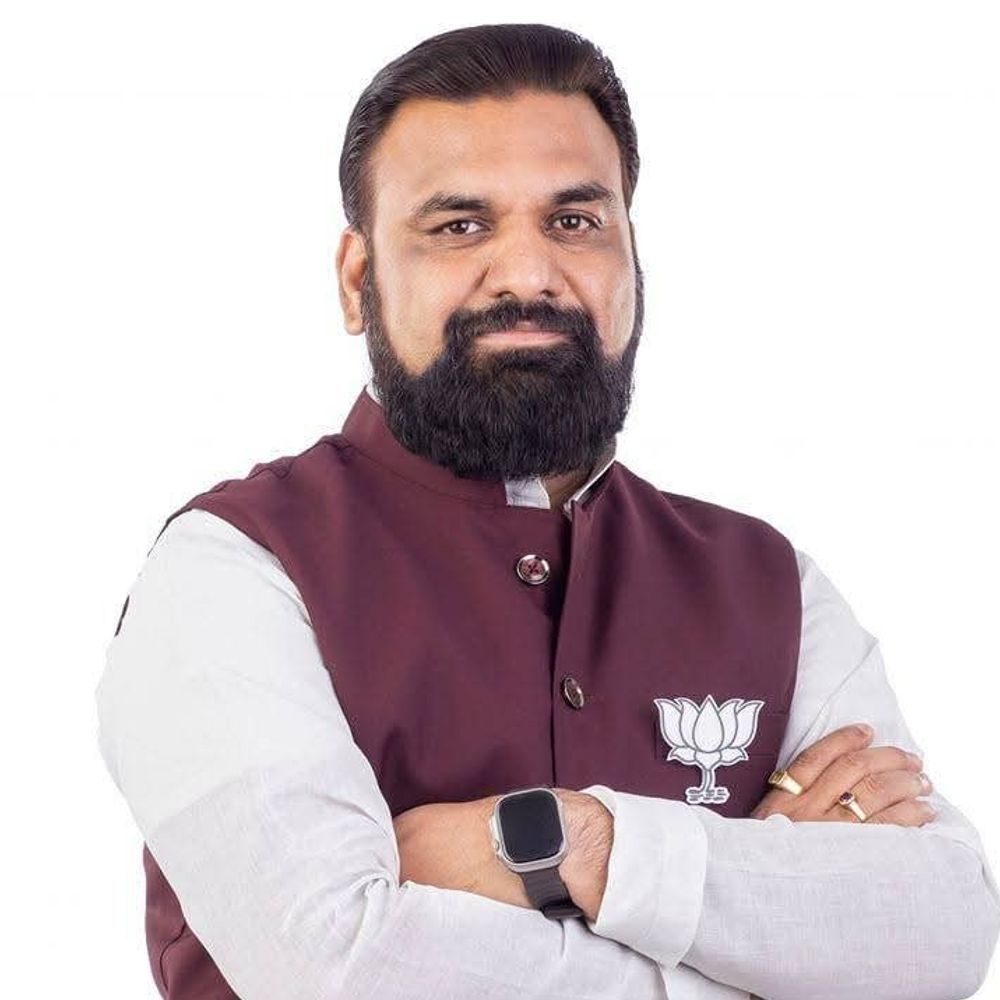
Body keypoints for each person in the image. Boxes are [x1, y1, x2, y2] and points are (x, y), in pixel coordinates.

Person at [94, 22, 1000, 1000]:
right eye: (459, 226)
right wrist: (765, 916)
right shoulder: (232, 570)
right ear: (359, 282)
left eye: (573, 221)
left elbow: (941, 934)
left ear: (632, 259)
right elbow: (342, 967)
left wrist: (582, 845)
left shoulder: (770, 583)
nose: (527, 274)